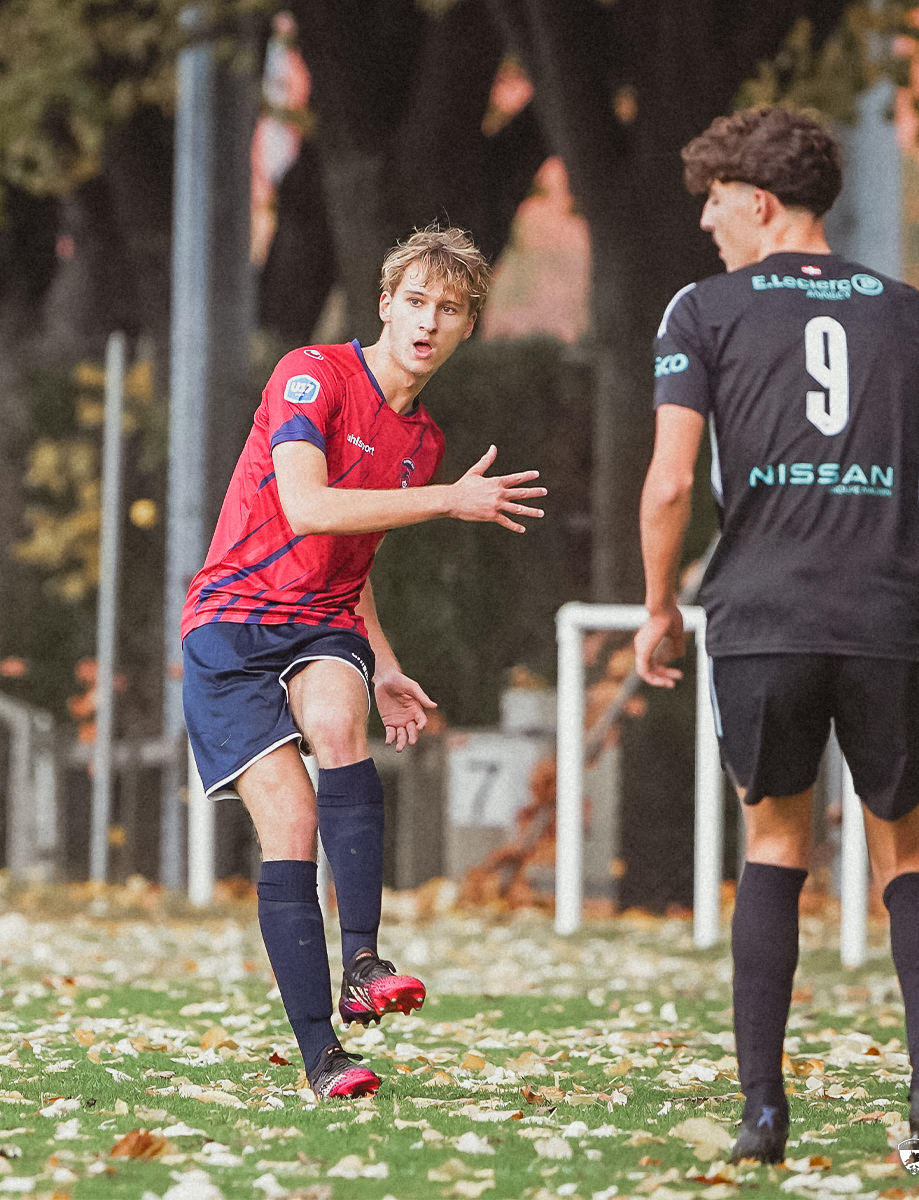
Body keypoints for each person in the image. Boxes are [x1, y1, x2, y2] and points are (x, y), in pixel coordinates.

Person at [634, 109, 919, 1162]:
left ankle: (762, 1114)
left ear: (759, 202)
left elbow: (665, 486)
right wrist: (886, 582)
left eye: (714, 201)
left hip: (760, 622)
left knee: (775, 847)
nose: (705, 222)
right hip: (883, 622)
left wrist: (658, 607)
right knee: (908, 858)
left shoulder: (701, 312)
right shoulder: (912, 314)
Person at [182, 226, 548, 1098]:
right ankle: (322, 1058)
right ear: (385, 304)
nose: (427, 323)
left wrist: (383, 663)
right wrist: (451, 502)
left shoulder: (423, 438)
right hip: (229, 626)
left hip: (319, 621)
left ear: (467, 329)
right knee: (292, 828)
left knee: (345, 721)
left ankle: (364, 962)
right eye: (415, 302)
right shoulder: (312, 373)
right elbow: (310, 507)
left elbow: (355, 560)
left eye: (449, 310)